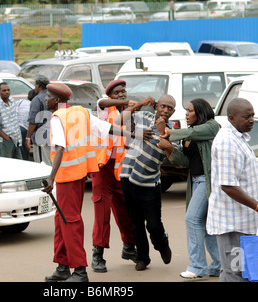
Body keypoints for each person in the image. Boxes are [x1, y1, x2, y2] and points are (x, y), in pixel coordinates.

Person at [42, 82, 114, 282]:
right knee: (61, 220)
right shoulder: (81, 112)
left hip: (66, 178)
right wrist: (135, 135)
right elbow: (107, 129)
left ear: (57, 100)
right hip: (79, 175)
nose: (45, 99)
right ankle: (62, 266)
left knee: (69, 221)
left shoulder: (58, 117)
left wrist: (50, 177)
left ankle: (80, 271)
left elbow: (61, 147)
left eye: (48, 96)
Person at [206, 98, 258, 282]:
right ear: (231, 118)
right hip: (232, 223)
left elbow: (244, 175)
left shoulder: (238, 138)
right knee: (235, 272)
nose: (251, 120)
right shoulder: (227, 142)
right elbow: (228, 185)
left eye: (253, 115)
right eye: (246, 117)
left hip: (243, 220)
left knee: (240, 272)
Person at [157, 98, 221, 279]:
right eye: (186, 110)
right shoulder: (189, 137)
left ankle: (198, 267)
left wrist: (170, 133)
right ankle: (218, 266)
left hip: (207, 183)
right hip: (196, 182)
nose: (186, 114)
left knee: (192, 219)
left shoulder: (211, 127)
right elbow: (183, 162)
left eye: (190, 111)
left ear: (200, 112)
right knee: (206, 226)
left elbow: (194, 132)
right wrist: (169, 147)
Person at [116, 94, 174, 271]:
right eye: (162, 106)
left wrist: (167, 143)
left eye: (169, 108)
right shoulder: (143, 116)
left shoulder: (171, 132)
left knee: (154, 224)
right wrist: (140, 105)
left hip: (149, 183)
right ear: (156, 106)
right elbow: (119, 121)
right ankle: (143, 258)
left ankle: (162, 245)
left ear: (173, 112)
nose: (165, 110)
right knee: (136, 222)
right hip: (127, 176)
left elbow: (174, 158)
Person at [91, 79, 136, 273]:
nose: (121, 95)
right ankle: (98, 254)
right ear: (110, 96)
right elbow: (102, 102)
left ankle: (129, 246)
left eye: (123, 92)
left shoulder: (126, 114)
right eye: (117, 92)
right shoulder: (104, 108)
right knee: (103, 211)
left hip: (120, 167)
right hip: (102, 167)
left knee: (126, 208)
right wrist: (118, 102)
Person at [0, 82, 23, 159]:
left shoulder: (12, 101)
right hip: (5, 141)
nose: (7, 92)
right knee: (6, 166)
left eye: (8, 90)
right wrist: (6, 138)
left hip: (16, 139)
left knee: (18, 163)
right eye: (4, 90)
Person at [26, 75, 52, 165]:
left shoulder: (37, 99)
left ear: (38, 86)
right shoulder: (54, 96)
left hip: (42, 137)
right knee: (52, 162)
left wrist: (28, 137)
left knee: (43, 164)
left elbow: (33, 121)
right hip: (54, 136)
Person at [15, 89, 37, 160]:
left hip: (15, 128)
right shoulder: (33, 105)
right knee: (24, 153)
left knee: (18, 152)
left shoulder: (21, 101)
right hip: (24, 129)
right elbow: (33, 121)